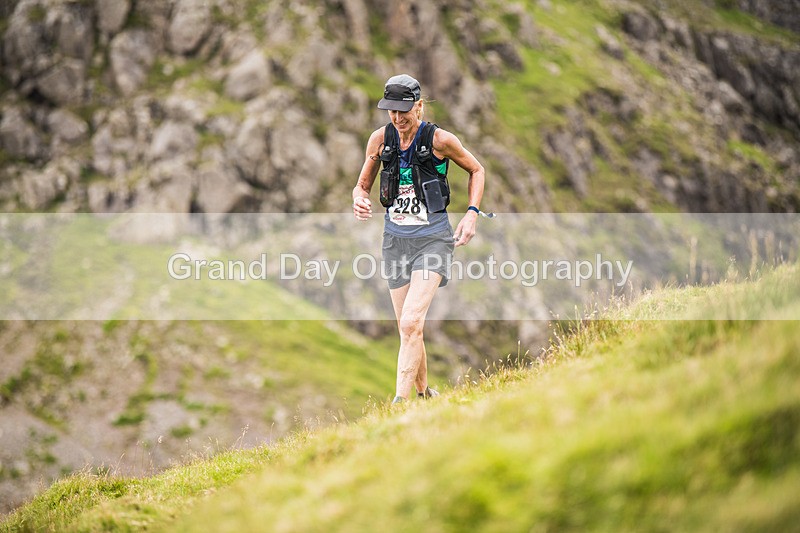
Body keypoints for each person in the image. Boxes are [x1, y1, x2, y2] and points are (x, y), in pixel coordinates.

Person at [352, 74, 486, 404]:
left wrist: (472, 213)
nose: (397, 118)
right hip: (395, 241)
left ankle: (398, 406)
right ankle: (426, 394)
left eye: (403, 111)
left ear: (419, 106)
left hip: (433, 240)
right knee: (408, 328)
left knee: (412, 321)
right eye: (391, 112)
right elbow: (362, 185)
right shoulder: (379, 141)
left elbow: (477, 170)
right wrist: (359, 198)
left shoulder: (440, 140)